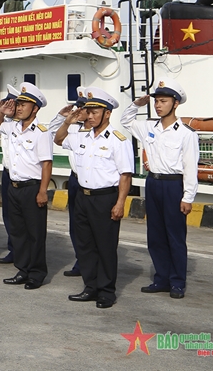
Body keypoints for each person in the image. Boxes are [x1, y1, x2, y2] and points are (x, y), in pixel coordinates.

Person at [121, 78, 199, 299]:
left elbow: (190, 167)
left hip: (174, 186)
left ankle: (177, 282)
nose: (157, 105)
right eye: (156, 101)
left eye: (163, 101)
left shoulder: (186, 133)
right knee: (155, 235)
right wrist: (137, 104)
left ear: (175, 103)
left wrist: (188, 197)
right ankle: (161, 279)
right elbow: (125, 121)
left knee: (175, 236)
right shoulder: (148, 127)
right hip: (153, 183)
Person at [55, 88, 133, 308]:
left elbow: (125, 175)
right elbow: (59, 140)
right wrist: (68, 121)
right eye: (88, 111)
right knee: (85, 245)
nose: (90, 116)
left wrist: (120, 204)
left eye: (95, 111)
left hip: (105, 198)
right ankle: (90, 287)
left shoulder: (119, 140)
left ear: (107, 113)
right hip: (82, 196)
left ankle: (107, 291)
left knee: (105, 246)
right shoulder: (81, 136)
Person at [0, 82, 52, 290]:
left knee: (35, 233)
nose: (19, 107)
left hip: (32, 187)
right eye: (18, 104)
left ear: (34, 108)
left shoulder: (41, 132)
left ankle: (36, 273)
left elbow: (46, 164)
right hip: (14, 187)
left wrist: (43, 191)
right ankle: (22, 269)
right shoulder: (13, 127)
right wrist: (1, 111)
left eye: (24, 104)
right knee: (18, 232)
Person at [47, 87, 90, 277]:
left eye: (82, 109)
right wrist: (62, 117)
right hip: (75, 181)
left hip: (94, 184)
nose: (77, 112)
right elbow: (50, 134)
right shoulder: (72, 129)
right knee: (76, 225)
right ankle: (81, 262)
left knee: (93, 227)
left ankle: (92, 264)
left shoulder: (99, 132)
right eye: (76, 108)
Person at [0, 84, 20, 263]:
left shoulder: (23, 125)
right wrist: (0, 111)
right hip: (7, 172)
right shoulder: (5, 124)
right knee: (8, 214)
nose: (8, 106)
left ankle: (22, 251)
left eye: (12, 104)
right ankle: (13, 249)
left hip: (22, 176)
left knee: (21, 217)